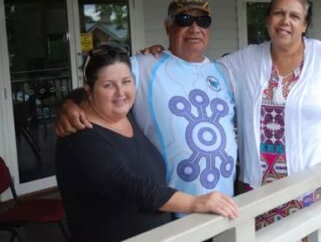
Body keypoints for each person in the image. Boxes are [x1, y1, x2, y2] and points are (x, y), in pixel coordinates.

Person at [138, 0, 321, 233]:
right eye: (279, 13)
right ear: (268, 20)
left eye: (294, 16)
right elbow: (198, 70)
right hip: (261, 200)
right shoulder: (246, 60)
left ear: (304, 25)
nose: (285, 22)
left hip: (320, 196)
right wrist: (164, 57)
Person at [56, 0, 238, 218]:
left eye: (203, 21)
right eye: (183, 19)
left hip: (225, 205)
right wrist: (69, 104)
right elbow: (100, 85)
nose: (194, 27)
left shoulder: (223, 73)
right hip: (171, 207)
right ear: (167, 26)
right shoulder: (143, 66)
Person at [56, 45, 238, 242]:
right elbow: (129, 186)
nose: (120, 93)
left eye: (126, 82)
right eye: (108, 85)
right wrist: (196, 202)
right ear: (89, 91)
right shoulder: (80, 138)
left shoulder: (127, 116)